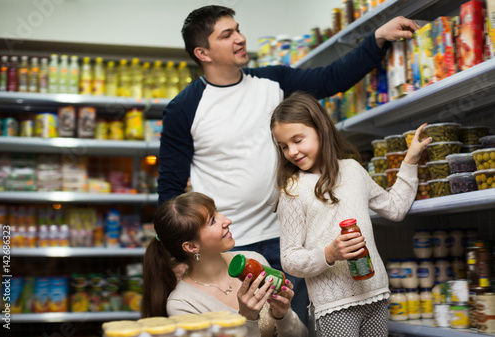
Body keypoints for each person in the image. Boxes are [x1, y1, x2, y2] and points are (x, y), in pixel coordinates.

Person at [157, 4, 420, 325]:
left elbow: (330, 78)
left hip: (290, 237)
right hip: (231, 246)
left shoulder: (273, 81)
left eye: (238, 29)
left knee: (295, 326)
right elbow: (170, 188)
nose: (240, 38)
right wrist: (179, 254)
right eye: (227, 35)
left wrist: (377, 38)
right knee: (250, 327)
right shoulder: (184, 108)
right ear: (203, 52)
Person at [269, 92, 432, 336]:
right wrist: (329, 254)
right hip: (334, 305)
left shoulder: (353, 170)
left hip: (376, 293)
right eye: (284, 146)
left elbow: (395, 208)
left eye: (298, 140)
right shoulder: (292, 189)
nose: (292, 151)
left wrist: (410, 159)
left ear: (321, 129)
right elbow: (290, 259)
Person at [142, 192, 308, 337]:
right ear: (192, 247)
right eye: (213, 221)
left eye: (218, 212)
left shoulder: (252, 260)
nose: (227, 220)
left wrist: (283, 315)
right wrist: (247, 319)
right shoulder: (182, 304)